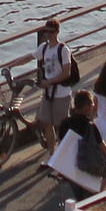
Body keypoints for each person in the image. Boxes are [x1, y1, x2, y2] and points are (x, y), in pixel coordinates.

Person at [35, 18, 76, 147]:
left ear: (57, 32)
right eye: (46, 32)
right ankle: (52, 154)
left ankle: (65, 151)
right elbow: (31, 56)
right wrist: (13, 66)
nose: (48, 35)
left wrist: (50, 82)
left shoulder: (63, 50)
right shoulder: (44, 48)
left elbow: (66, 73)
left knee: (61, 126)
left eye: (51, 32)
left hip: (61, 93)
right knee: (46, 122)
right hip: (48, 93)